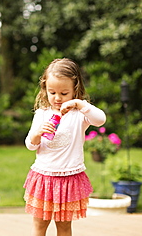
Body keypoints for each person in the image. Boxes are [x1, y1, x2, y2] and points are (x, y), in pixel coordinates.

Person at [23, 58, 106, 236]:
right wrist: (37, 134)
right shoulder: (41, 114)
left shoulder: (79, 115)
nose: (58, 98)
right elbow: (30, 145)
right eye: (52, 92)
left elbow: (100, 119)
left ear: (75, 90)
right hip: (44, 178)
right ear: (45, 89)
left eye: (64, 93)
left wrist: (80, 104)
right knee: (39, 226)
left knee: (64, 227)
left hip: (69, 178)